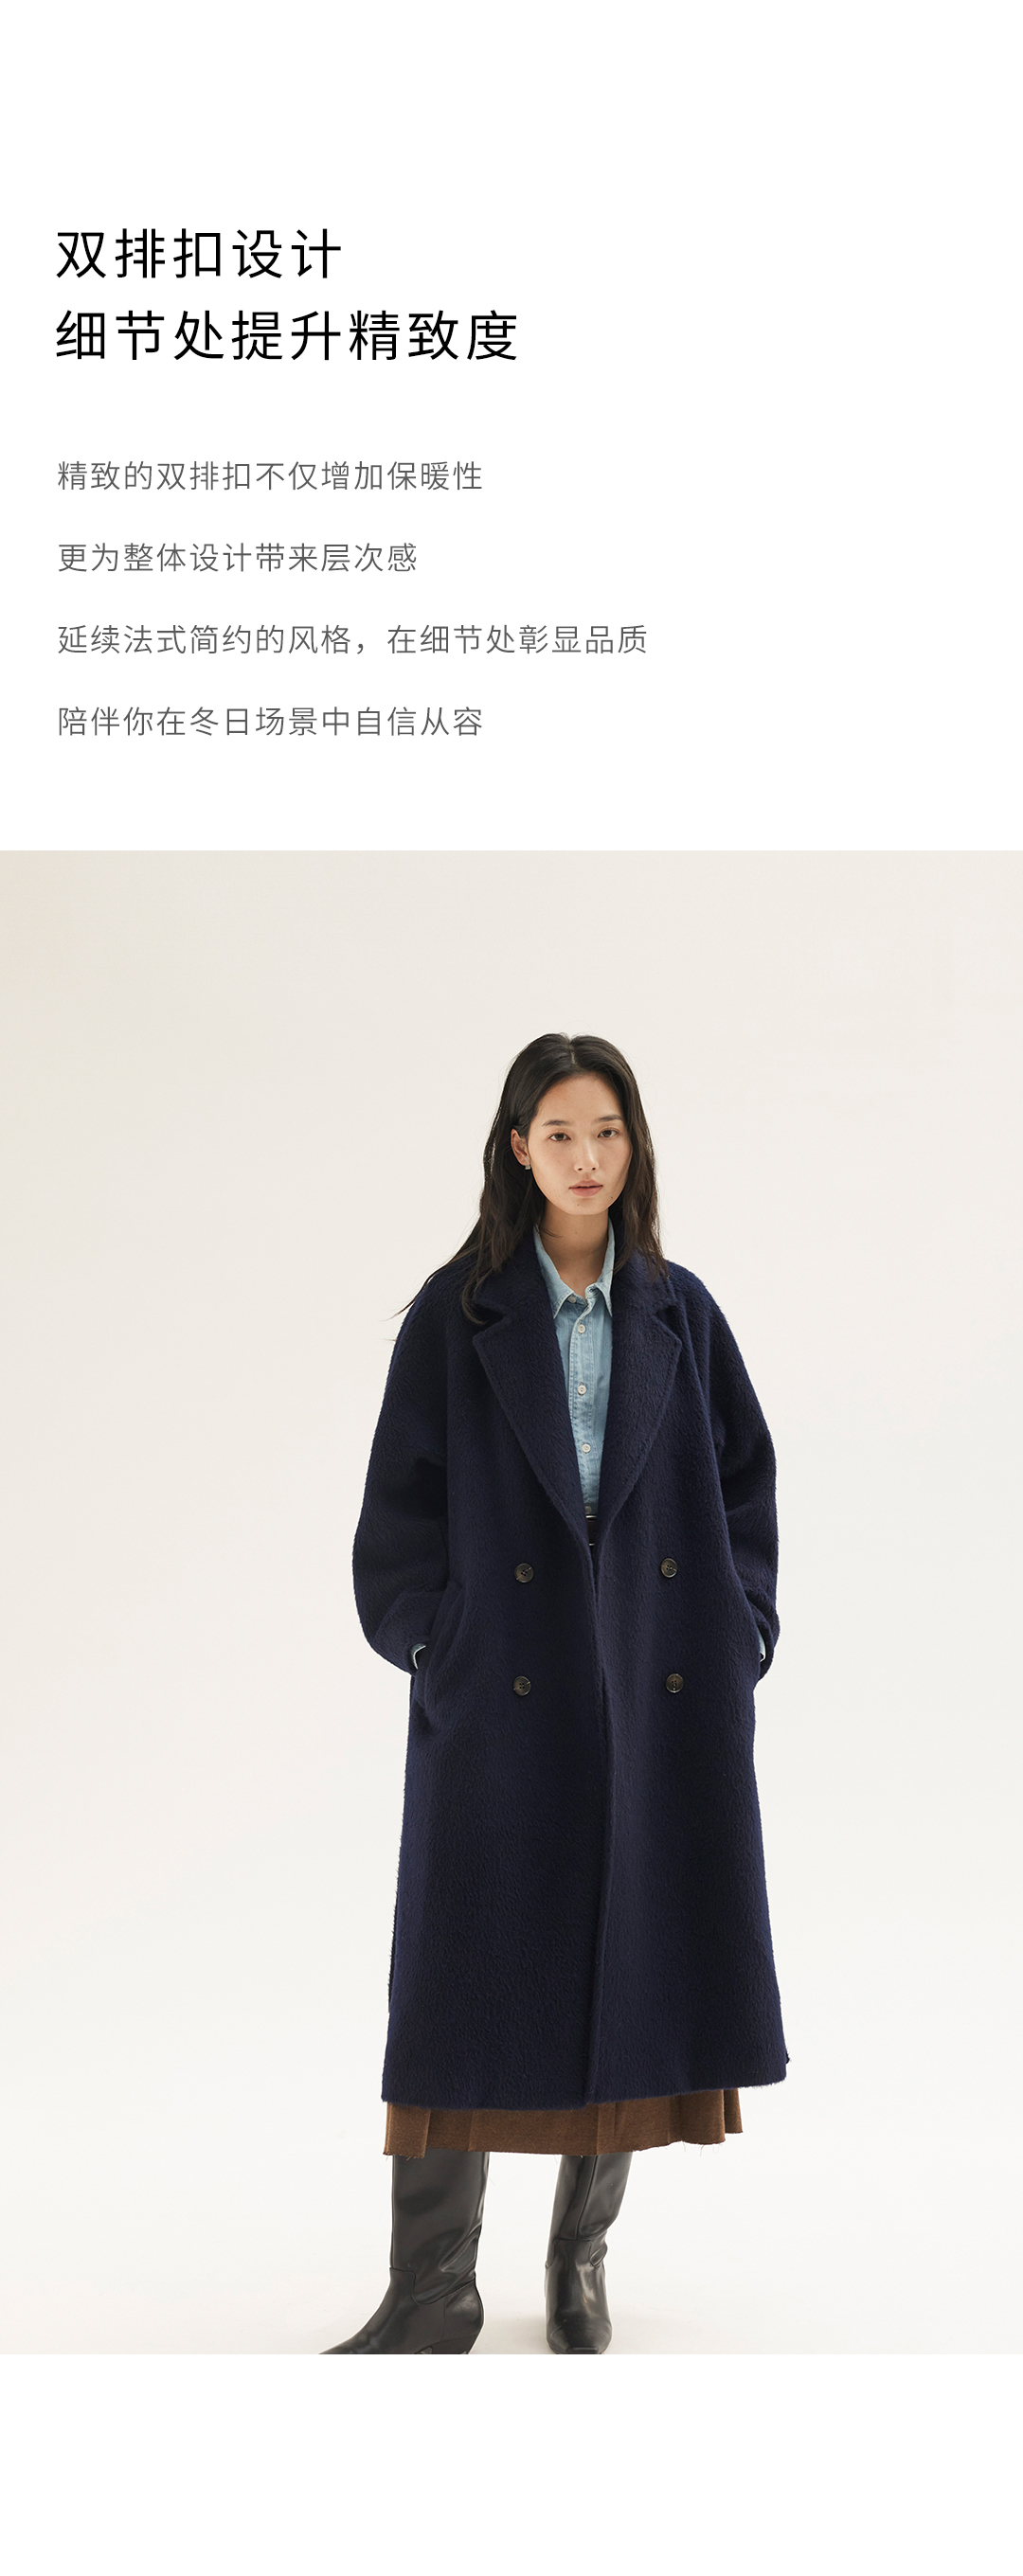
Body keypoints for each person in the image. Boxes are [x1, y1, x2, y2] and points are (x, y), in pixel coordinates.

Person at [326, 1031, 787, 2354]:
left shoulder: (679, 1311)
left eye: (609, 1132)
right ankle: (434, 2288)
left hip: (656, 1682)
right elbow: (397, 1513)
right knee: (461, 1972)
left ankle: (578, 2263)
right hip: (502, 1696)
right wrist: (437, 1642)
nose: (589, 1159)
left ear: (634, 1146)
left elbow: (745, 1482)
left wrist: (740, 1625)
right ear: (518, 1149)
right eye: (562, 1134)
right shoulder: (457, 1311)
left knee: (633, 1955)